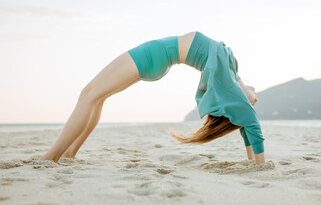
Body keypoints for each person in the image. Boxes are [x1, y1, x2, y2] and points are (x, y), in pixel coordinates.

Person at [40, 31, 266, 165]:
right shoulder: (231, 72)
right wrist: (251, 163)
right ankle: (69, 153)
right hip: (160, 58)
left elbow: (251, 125)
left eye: (252, 103)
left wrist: (259, 164)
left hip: (156, 54)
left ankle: (51, 157)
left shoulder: (232, 89)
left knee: (88, 95)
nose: (255, 99)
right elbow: (246, 130)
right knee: (97, 98)